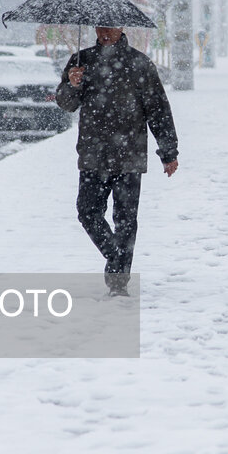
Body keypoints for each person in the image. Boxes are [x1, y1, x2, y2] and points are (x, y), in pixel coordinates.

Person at [56, 26, 179, 295]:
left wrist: (168, 151)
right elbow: (65, 103)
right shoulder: (81, 61)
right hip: (92, 156)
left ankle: (117, 283)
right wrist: (71, 84)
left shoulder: (139, 63)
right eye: (100, 27)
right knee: (87, 212)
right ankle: (118, 260)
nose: (104, 33)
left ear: (121, 28)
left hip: (129, 156)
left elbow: (157, 109)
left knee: (125, 220)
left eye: (110, 27)